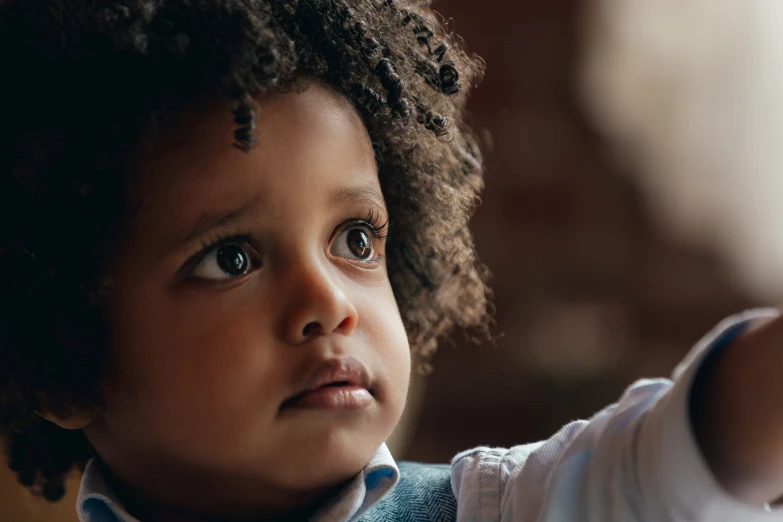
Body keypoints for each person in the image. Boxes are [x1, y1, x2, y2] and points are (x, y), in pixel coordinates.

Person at [0, 1, 781, 521]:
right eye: (230, 258)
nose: (326, 300)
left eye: (355, 241)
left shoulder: (497, 508)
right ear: (62, 360)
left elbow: (661, 465)